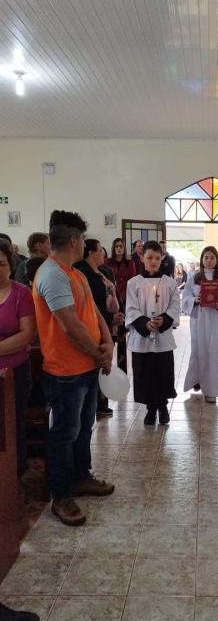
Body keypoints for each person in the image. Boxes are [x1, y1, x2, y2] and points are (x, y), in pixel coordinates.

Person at [33, 210, 115, 527]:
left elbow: (92, 312)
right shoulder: (52, 274)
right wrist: (99, 354)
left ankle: (82, 476)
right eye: (82, 239)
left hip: (87, 366)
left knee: (83, 428)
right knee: (64, 434)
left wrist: (107, 342)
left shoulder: (75, 273)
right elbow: (70, 326)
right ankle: (61, 494)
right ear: (73, 240)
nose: (83, 244)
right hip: (65, 371)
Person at [125, 240, 180, 426]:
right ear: (142, 258)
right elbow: (131, 309)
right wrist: (144, 323)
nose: (153, 261)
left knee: (163, 373)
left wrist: (164, 319)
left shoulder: (170, 283)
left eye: (157, 258)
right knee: (145, 374)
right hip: (142, 338)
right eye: (149, 257)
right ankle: (150, 409)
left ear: (162, 258)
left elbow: (174, 306)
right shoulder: (133, 283)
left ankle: (163, 407)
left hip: (163, 338)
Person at [75, 239, 124, 417]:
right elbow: (90, 304)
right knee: (96, 361)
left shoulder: (105, 271)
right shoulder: (82, 273)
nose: (103, 254)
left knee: (107, 361)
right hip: (96, 323)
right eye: (99, 250)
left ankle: (102, 401)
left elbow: (114, 293)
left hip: (111, 323)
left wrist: (119, 315)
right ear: (90, 253)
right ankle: (95, 401)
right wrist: (110, 317)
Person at [0, 239, 36, 477]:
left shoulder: (21, 293)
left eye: (1, 264)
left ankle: (15, 472)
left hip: (15, 372)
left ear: (10, 266)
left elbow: (27, 335)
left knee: (13, 424)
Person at [183, 246, 218, 403]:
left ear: (217, 259)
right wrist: (195, 300)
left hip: (217, 321)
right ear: (202, 259)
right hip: (199, 320)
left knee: (214, 353)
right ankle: (196, 380)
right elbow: (186, 297)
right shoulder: (195, 278)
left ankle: (211, 390)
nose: (209, 260)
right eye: (206, 257)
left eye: (212, 257)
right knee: (198, 351)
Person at [106, 237, 136, 373]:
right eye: (117, 246)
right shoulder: (107, 262)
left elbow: (132, 281)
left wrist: (124, 298)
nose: (119, 248)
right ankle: (107, 369)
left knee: (122, 337)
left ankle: (122, 371)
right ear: (114, 248)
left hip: (124, 301)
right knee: (110, 337)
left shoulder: (130, 263)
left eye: (121, 246)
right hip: (111, 303)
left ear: (124, 248)